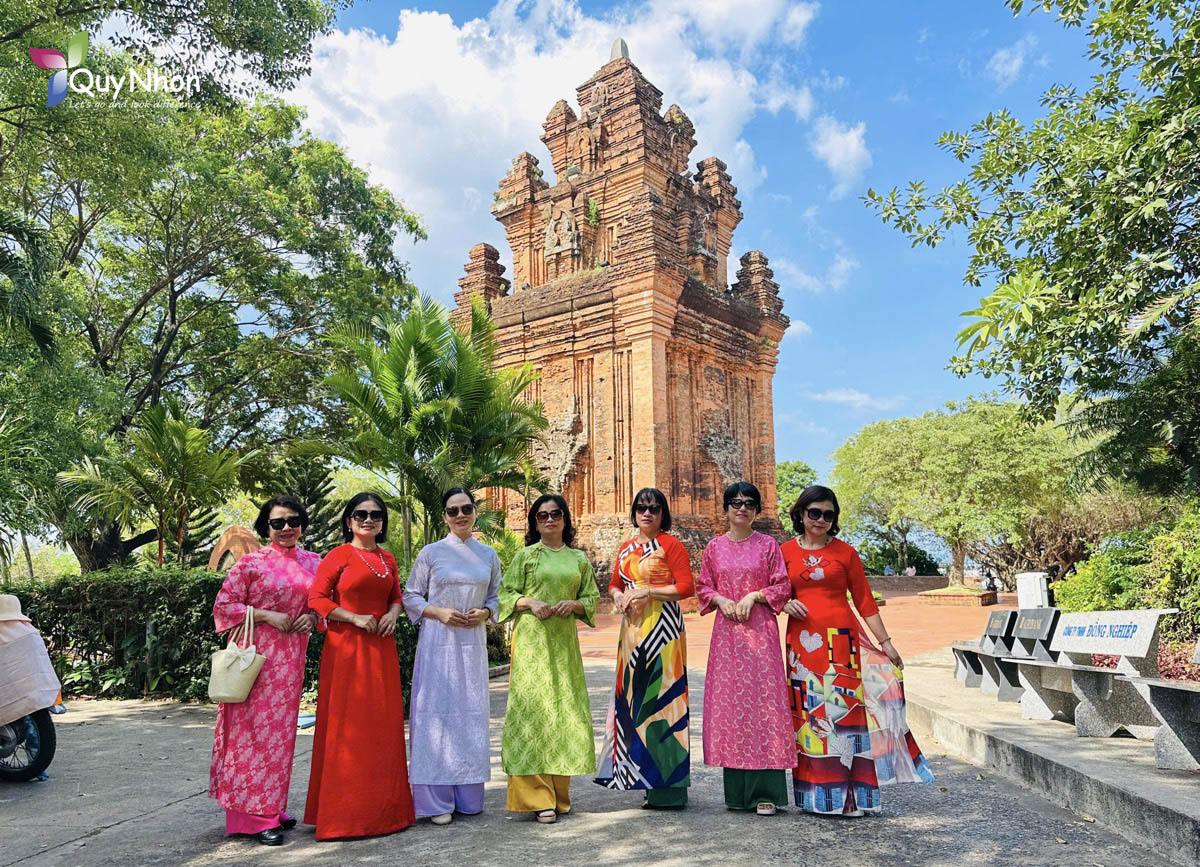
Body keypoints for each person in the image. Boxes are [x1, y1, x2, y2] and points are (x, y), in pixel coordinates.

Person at [783, 485, 934, 817]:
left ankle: (850, 797)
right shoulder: (783, 553)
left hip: (842, 645)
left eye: (828, 514)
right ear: (801, 514)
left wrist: (886, 643)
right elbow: (774, 591)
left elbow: (864, 602)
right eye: (814, 513)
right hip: (801, 647)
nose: (821, 519)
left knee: (846, 716)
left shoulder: (846, 553)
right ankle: (815, 797)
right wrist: (784, 602)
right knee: (811, 717)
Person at [209, 495, 319, 846]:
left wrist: (313, 617)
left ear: (302, 522)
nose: (286, 528)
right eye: (277, 523)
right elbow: (224, 605)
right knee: (250, 736)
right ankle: (253, 817)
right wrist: (268, 615)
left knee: (281, 735)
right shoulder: (251, 564)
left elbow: (325, 604)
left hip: (291, 660)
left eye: (293, 520)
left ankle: (272, 806)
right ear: (266, 527)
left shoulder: (314, 562)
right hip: (255, 657)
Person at [305, 493, 415, 840]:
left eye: (376, 515)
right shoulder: (338, 555)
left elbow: (396, 597)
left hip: (381, 649)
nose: (368, 520)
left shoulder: (387, 559)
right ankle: (344, 817)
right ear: (348, 520)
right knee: (348, 729)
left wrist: (394, 615)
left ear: (382, 522)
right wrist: (353, 617)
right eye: (360, 514)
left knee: (382, 728)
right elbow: (316, 599)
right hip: (347, 651)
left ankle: (387, 814)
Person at [695, 481, 795, 816]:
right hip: (727, 635)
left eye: (750, 503)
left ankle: (765, 792)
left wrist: (754, 595)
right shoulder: (714, 547)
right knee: (731, 707)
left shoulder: (768, 545)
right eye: (736, 502)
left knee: (764, 706)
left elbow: (782, 584)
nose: (742, 508)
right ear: (725, 509)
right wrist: (721, 599)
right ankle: (737, 793)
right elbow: (703, 586)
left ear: (757, 511)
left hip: (760, 631)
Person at [498, 493, 599, 824]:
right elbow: (505, 594)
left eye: (556, 513)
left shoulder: (578, 560)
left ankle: (558, 796)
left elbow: (591, 596)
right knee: (533, 711)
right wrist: (530, 602)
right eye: (542, 516)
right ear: (534, 522)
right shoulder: (526, 557)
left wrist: (576, 605)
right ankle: (536, 797)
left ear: (566, 519)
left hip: (564, 645)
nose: (550, 519)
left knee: (561, 711)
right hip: (531, 643)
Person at [403, 488, 501, 825]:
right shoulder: (431, 553)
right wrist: (437, 612)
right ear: (444, 516)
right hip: (437, 642)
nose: (460, 515)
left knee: (469, 715)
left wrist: (486, 614)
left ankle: (468, 795)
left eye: (466, 509)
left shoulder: (488, 555)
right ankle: (435, 800)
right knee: (435, 715)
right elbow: (410, 596)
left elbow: (496, 596)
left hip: (471, 644)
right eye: (452, 510)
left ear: (475, 512)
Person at [595, 488, 694, 809]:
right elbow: (614, 583)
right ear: (634, 512)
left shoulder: (671, 545)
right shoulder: (626, 547)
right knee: (635, 703)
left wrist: (649, 591)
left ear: (663, 513)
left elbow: (685, 587)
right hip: (633, 632)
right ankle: (642, 782)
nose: (646, 514)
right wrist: (618, 596)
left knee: (663, 704)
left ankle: (670, 790)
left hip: (663, 632)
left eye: (653, 508)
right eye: (641, 508)